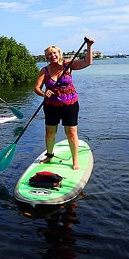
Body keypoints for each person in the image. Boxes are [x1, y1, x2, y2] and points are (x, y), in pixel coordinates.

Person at [34, 37, 95, 170]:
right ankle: (49, 155)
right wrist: (44, 94)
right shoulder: (44, 70)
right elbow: (36, 88)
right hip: (51, 106)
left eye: (55, 53)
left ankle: (75, 161)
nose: (53, 55)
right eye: (50, 54)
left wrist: (89, 46)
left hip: (70, 105)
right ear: (47, 57)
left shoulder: (68, 65)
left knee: (71, 132)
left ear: (59, 54)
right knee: (50, 132)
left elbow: (87, 62)